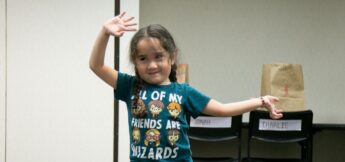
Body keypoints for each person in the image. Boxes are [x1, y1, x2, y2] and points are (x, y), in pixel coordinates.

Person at [89, 12, 283, 162]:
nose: (152, 65)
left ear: (172, 57)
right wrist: (105, 32)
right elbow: (96, 65)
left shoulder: (183, 92)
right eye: (143, 59)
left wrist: (260, 101)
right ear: (135, 61)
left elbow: (223, 110)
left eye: (158, 56)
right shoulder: (129, 86)